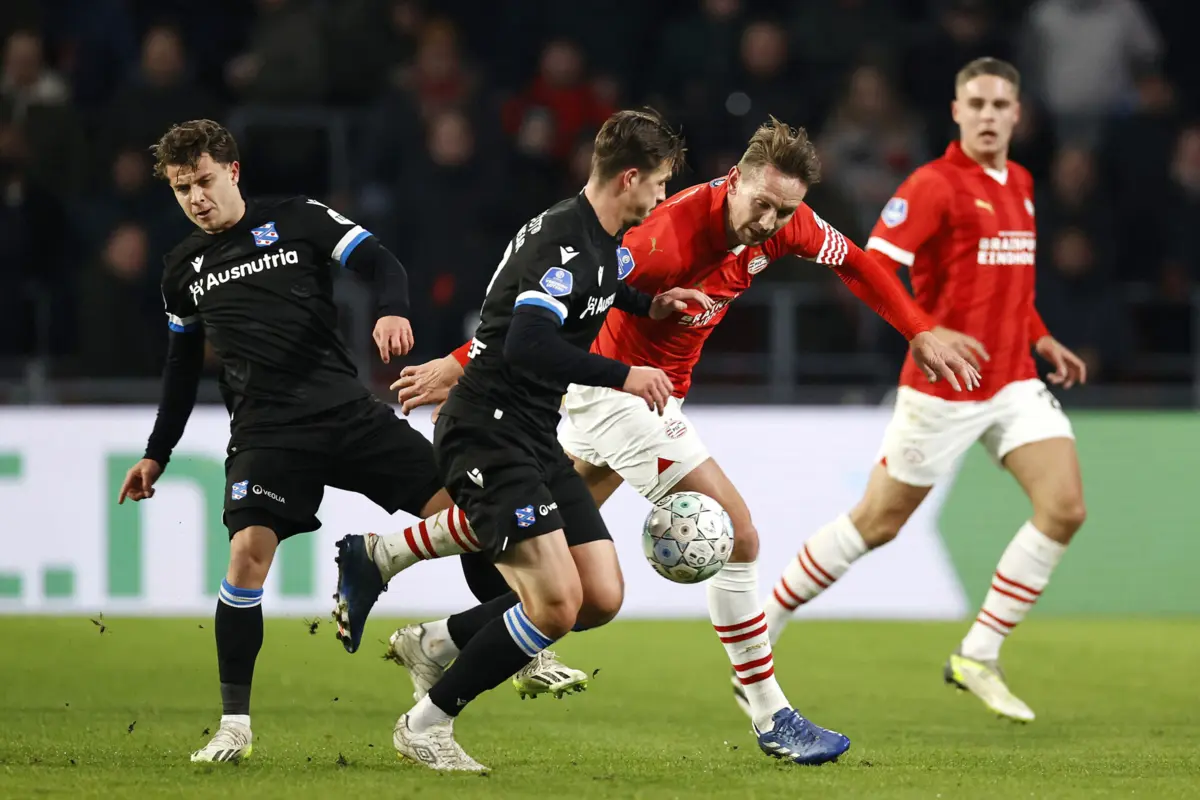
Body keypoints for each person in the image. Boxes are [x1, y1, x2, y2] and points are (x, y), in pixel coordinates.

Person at [341, 115, 979, 764]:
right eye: (761, 204)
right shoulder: (662, 237)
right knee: (739, 535)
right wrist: (460, 359)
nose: (770, 222)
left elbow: (860, 265)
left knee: (584, 591)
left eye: (784, 212)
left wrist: (918, 330)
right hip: (619, 393)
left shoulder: (789, 224)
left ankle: (426, 620)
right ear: (734, 181)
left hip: (643, 397)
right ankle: (769, 713)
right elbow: (552, 295)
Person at [116, 119, 486, 764]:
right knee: (246, 559)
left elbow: (380, 260)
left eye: (203, 181)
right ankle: (234, 726)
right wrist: (158, 452)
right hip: (268, 433)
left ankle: (500, 633)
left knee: (474, 519)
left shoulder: (296, 218)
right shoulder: (183, 269)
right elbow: (181, 370)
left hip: (348, 413)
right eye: (181, 189)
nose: (195, 197)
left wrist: (393, 308)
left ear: (232, 171)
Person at [760, 58, 1088, 723]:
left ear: (1018, 114)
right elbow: (874, 266)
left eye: (1001, 104)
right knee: (876, 523)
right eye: (978, 104)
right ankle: (763, 623)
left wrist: (1041, 334)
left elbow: (1008, 283)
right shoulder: (933, 185)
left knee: (1065, 507)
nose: (990, 115)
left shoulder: (1021, 182)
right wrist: (924, 331)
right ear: (957, 111)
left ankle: (979, 652)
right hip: (943, 388)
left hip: (1013, 381)